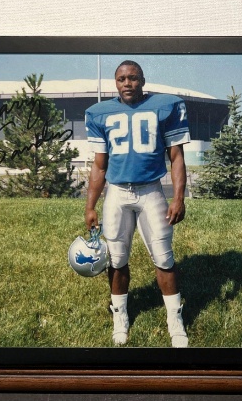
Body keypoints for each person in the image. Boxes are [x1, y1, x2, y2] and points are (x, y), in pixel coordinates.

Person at [84, 60, 189, 348]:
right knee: (116, 259)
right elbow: (99, 166)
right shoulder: (99, 113)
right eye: (121, 79)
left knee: (164, 258)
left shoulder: (165, 107)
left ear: (142, 81)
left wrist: (178, 197)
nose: (127, 84)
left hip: (151, 191)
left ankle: (174, 319)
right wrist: (90, 206)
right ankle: (120, 316)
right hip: (117, 193)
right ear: (115, 82)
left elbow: (176, 156)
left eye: (132, 78)